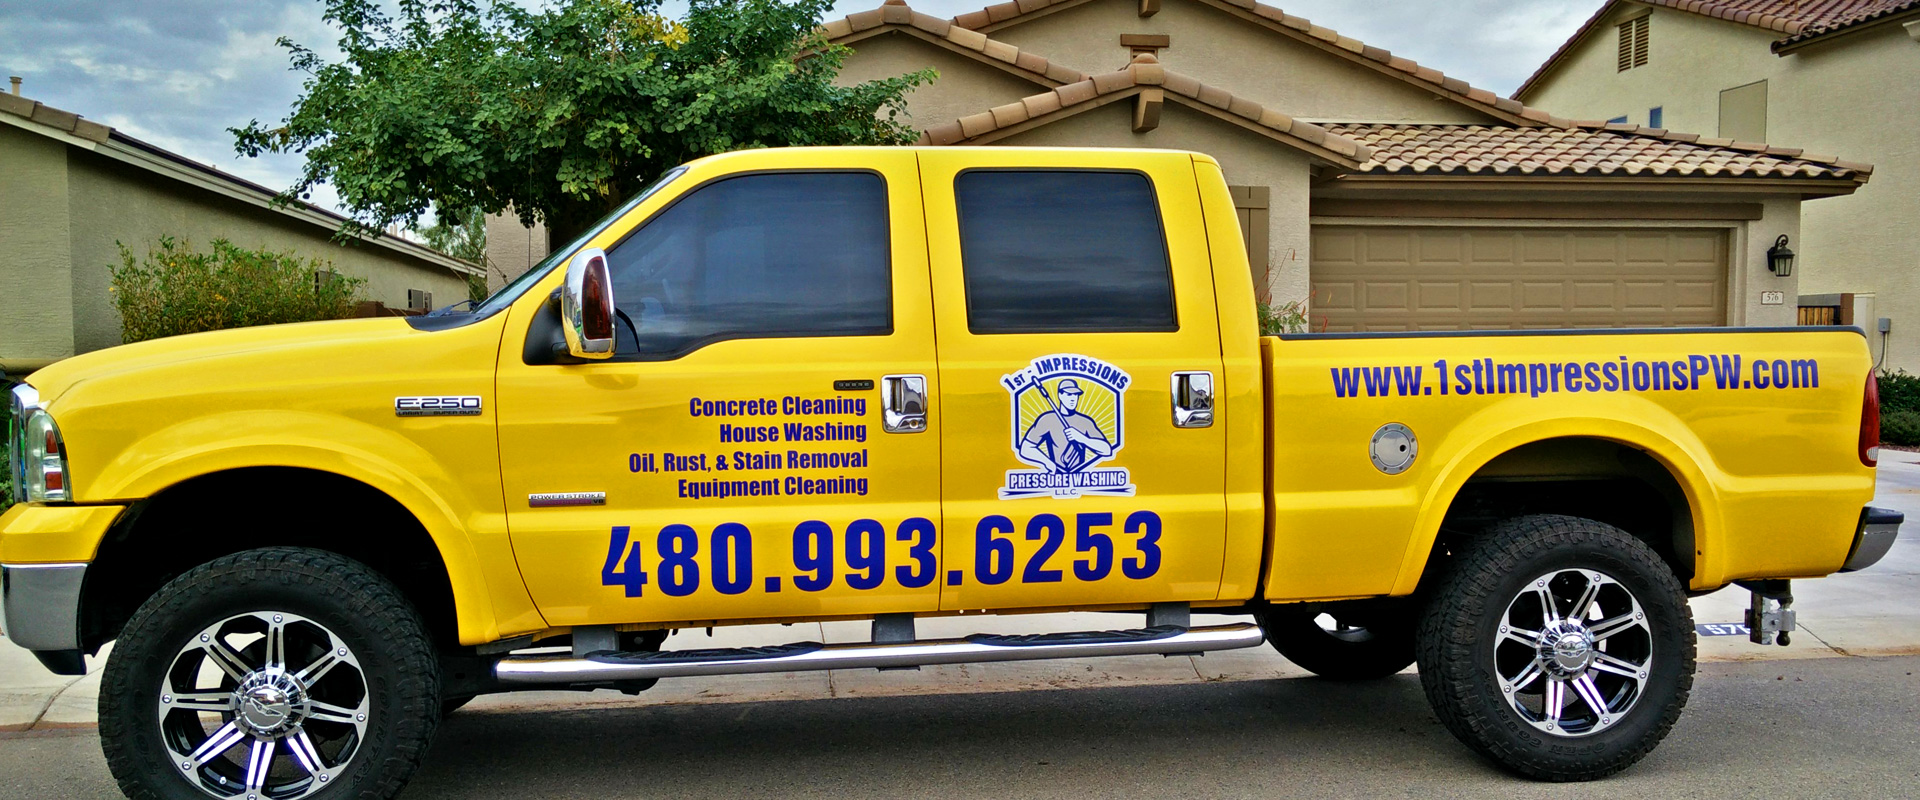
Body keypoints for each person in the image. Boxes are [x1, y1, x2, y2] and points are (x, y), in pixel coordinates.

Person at [1017, 379, 1113, 473]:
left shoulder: (1085, 422)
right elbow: (1026, 448)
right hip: (1056, 476)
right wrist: (1048, 463)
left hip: (1079, 477)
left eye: (1076, 395)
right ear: (1060, 395)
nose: (1073, 398)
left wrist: (1083, 439)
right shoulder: (1047, 419)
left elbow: (1107, 450)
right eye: (1069, 394)